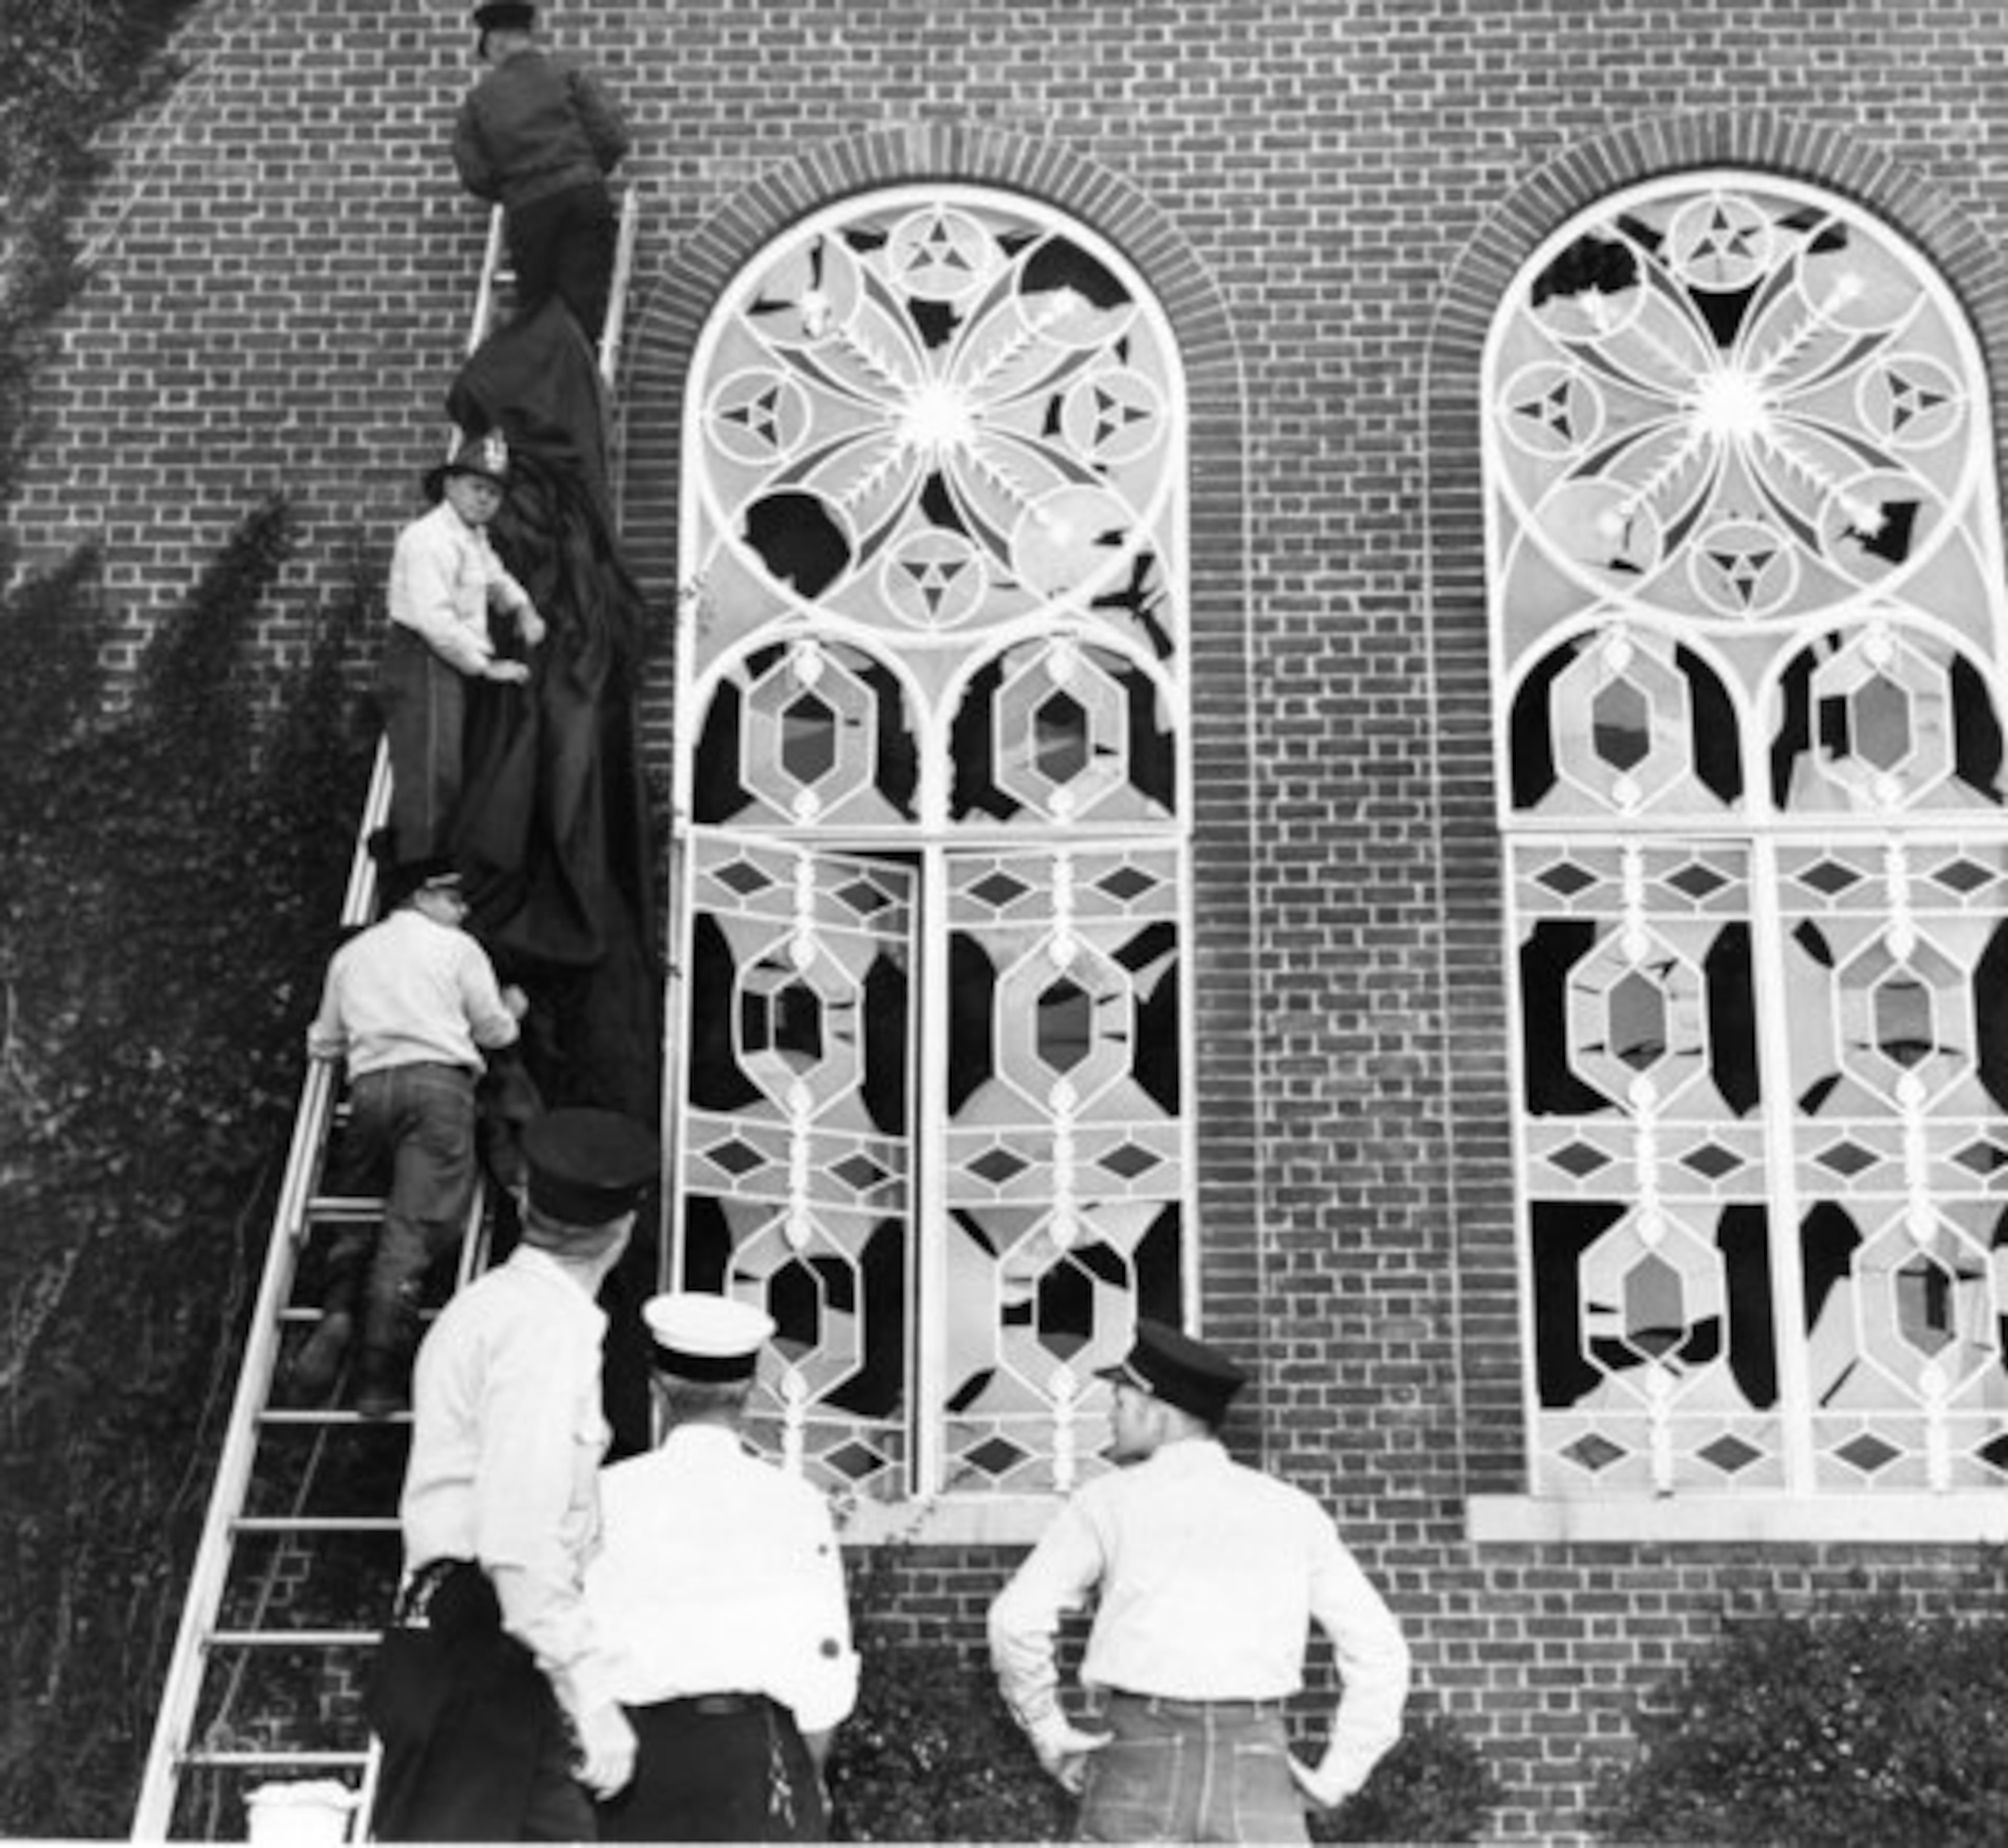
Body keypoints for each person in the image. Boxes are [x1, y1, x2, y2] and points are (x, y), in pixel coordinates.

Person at [987, 1318, 1412, 1845]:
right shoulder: (1292, 1511)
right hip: (1255, 1760)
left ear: (1158, 1413)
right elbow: (1381, 1652)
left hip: (1138, 1756)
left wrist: (1049, 1730)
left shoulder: (1106, 1503)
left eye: (1120, 1402)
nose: (1110, 1416)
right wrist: (1337, 1777)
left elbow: (1015, 1621)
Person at [367, 1105, 661, 1841]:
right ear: (623, 1228)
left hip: (464, 1639)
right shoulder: (544, 1334)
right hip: (488, 1645)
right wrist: (590, 1691)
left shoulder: (487, 1308)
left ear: (527, 1203)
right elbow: (520, 1537)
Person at [584, 1293, 859, 1841]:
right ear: (748, 1394)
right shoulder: (795, 1504)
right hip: (754, 1750)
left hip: (631, 1755)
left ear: (658, 1388)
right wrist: (805, 1777)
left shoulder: (604, 1495)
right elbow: (823, 1668)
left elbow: (571, 1637)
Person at [295, 852, 527, 1418]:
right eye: (453, 899)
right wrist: (513, 1009)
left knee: (358, 1207)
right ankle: (378, 1374)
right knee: (416, 1227)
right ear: (420, 897)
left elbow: (323, 1043)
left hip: (369, 1091)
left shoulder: (351, 956)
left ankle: (337, 1310)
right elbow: (494, 1031)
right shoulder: (458, 949)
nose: (463, 910)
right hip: (439, 1091)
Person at [382, 429, 546, 862]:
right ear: (451, 484)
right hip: (422, 658)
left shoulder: (473, 537)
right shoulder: (429, 538)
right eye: (477, 487)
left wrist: (524, 609)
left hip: (447, 660)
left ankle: (430, 872)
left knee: (450, 771)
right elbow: (435, 622)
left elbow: (495, 577)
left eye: (494, 493)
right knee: (433, 772)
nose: (485, 500)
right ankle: (417, 879)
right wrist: (485, 667)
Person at [453, 0, 631, 344]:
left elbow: (474, 172)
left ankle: (544, 374)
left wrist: (512, 190)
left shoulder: (478, 100)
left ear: (496, 43)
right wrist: (586, 172)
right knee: (585, 305)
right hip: (583, 197)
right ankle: (580, 372)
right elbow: (612, 137)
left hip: (530, 210)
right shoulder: (568, 74)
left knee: (538, 308)